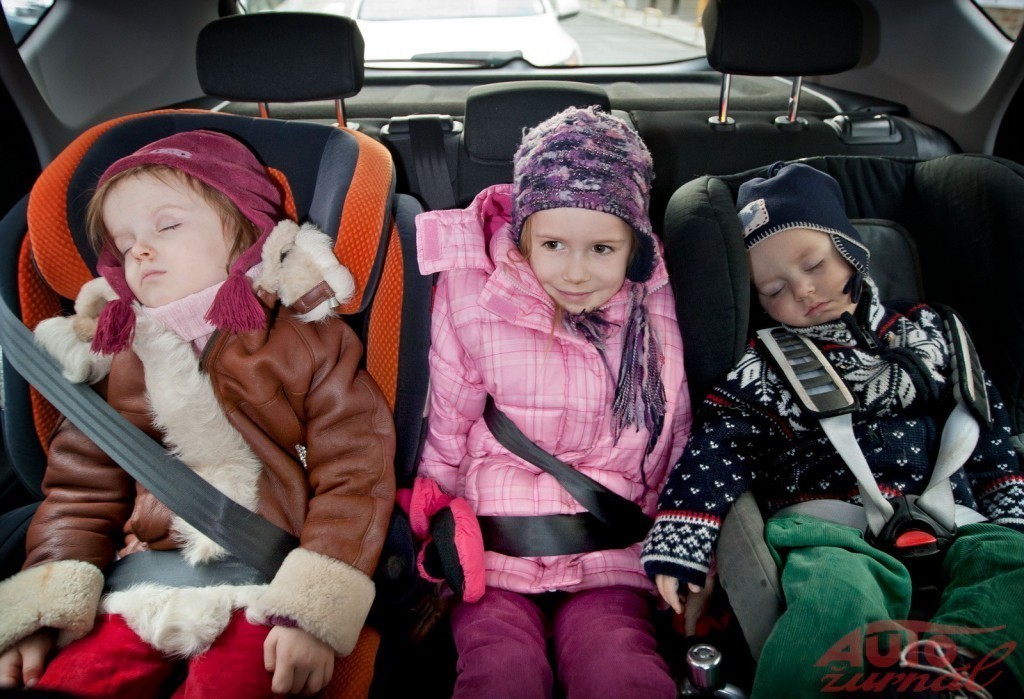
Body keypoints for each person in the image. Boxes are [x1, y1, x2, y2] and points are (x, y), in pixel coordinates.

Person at [0, 130, 396, 698]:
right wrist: (43, 611)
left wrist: (310, 610)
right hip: (138, 583)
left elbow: (356, 475)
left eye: (167, 226)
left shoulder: (307, 344)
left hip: (268, 584)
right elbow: (79, 493)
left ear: (248, 235)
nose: (140, 250)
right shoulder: (115, 361)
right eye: (124, 243)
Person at [641, 162, 1024, 697]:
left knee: (1010, 572)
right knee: (832, 600)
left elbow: (987, 434)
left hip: (958, 518)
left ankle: (960, 676)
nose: (803, 290)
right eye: (774, 288)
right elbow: (718, 449)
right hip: (831, 531)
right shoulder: (763, 366)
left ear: (850, 248)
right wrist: (684, 538)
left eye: (815, 264)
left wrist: (1010, 514)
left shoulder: (933, 332)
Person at [411, 105, 692, 698]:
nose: (575, 272)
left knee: (620, 669)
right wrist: (432, 515)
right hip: (496, 546)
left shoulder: (651, 301)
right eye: (554, 244)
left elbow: (671, 428)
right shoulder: (474, 293)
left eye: (602, 249)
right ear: (523, 236)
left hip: (608, 543)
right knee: (501, 671)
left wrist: (680, 537)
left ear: (635, 247)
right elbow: (449, 420)